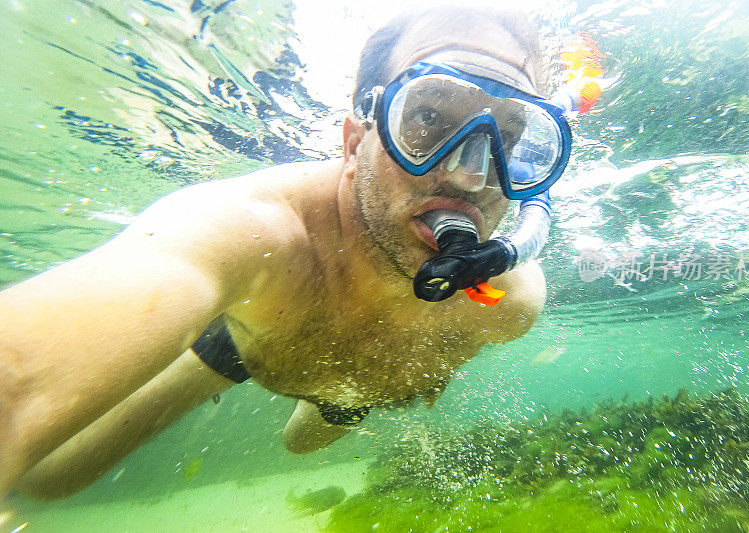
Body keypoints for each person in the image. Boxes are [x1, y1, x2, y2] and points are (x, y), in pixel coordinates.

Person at [0, 6, 591, 499]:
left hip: (350, 391)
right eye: (430, 118)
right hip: (256, 334)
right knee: (52, 478)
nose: (469, 176)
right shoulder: (253, 234)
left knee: (302, 442)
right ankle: (227, 342)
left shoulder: (508, 301)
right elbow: (16, 379)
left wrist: (406, 375)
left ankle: (340, 403)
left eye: (508, 138)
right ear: (355, 138)